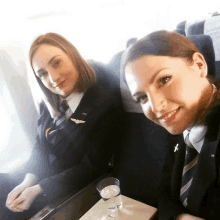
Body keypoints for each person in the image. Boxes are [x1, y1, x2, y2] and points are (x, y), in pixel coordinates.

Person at [0, 32, 125, 219]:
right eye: (42, 74)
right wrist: (27, 181)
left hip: (67, 187)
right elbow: (40, 147)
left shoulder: (105, 106)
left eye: (57, 63)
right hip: (38, 178)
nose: (53, 78)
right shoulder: (48, 102)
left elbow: (90, 168)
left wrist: (38, 189)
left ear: (73, 57)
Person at [124, 30, 220, 220]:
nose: (156, 107)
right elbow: (166, 191)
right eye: (142, 97)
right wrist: (179, 217)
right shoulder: (179, 121)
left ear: (199, 65)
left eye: (164, 79)